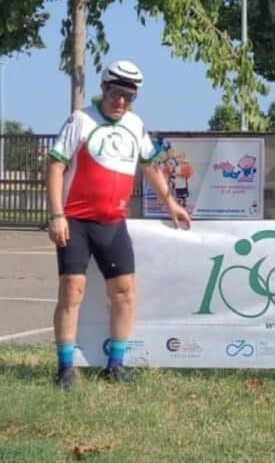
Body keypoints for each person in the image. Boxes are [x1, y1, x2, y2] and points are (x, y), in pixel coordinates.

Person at [47, 60, 191, 390]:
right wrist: (56, 215)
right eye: (116, 93)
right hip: (76, 221)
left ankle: (116, 365)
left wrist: (170, 202)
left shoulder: (135, 124)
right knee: (72, 292)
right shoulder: (81, 120)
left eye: (129, 96)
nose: (121, 102)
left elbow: (151, 166)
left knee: (124, 294)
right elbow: (55, 166)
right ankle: (65, 367)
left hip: (113, 222)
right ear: (104, 89)